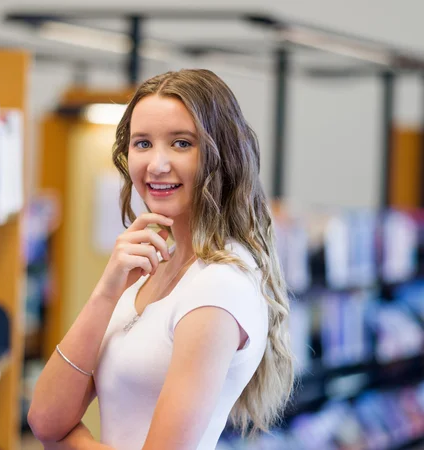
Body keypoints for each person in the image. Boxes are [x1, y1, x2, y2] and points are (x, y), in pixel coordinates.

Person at [28, 69, 294, 449]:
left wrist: (67, 441)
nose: (156, 164)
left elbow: (53, 430)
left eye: (182, 143)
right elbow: (44, 416)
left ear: (223, 155)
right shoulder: (151, 264)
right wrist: (106, 291)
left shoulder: (219, 285)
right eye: (142, 143)